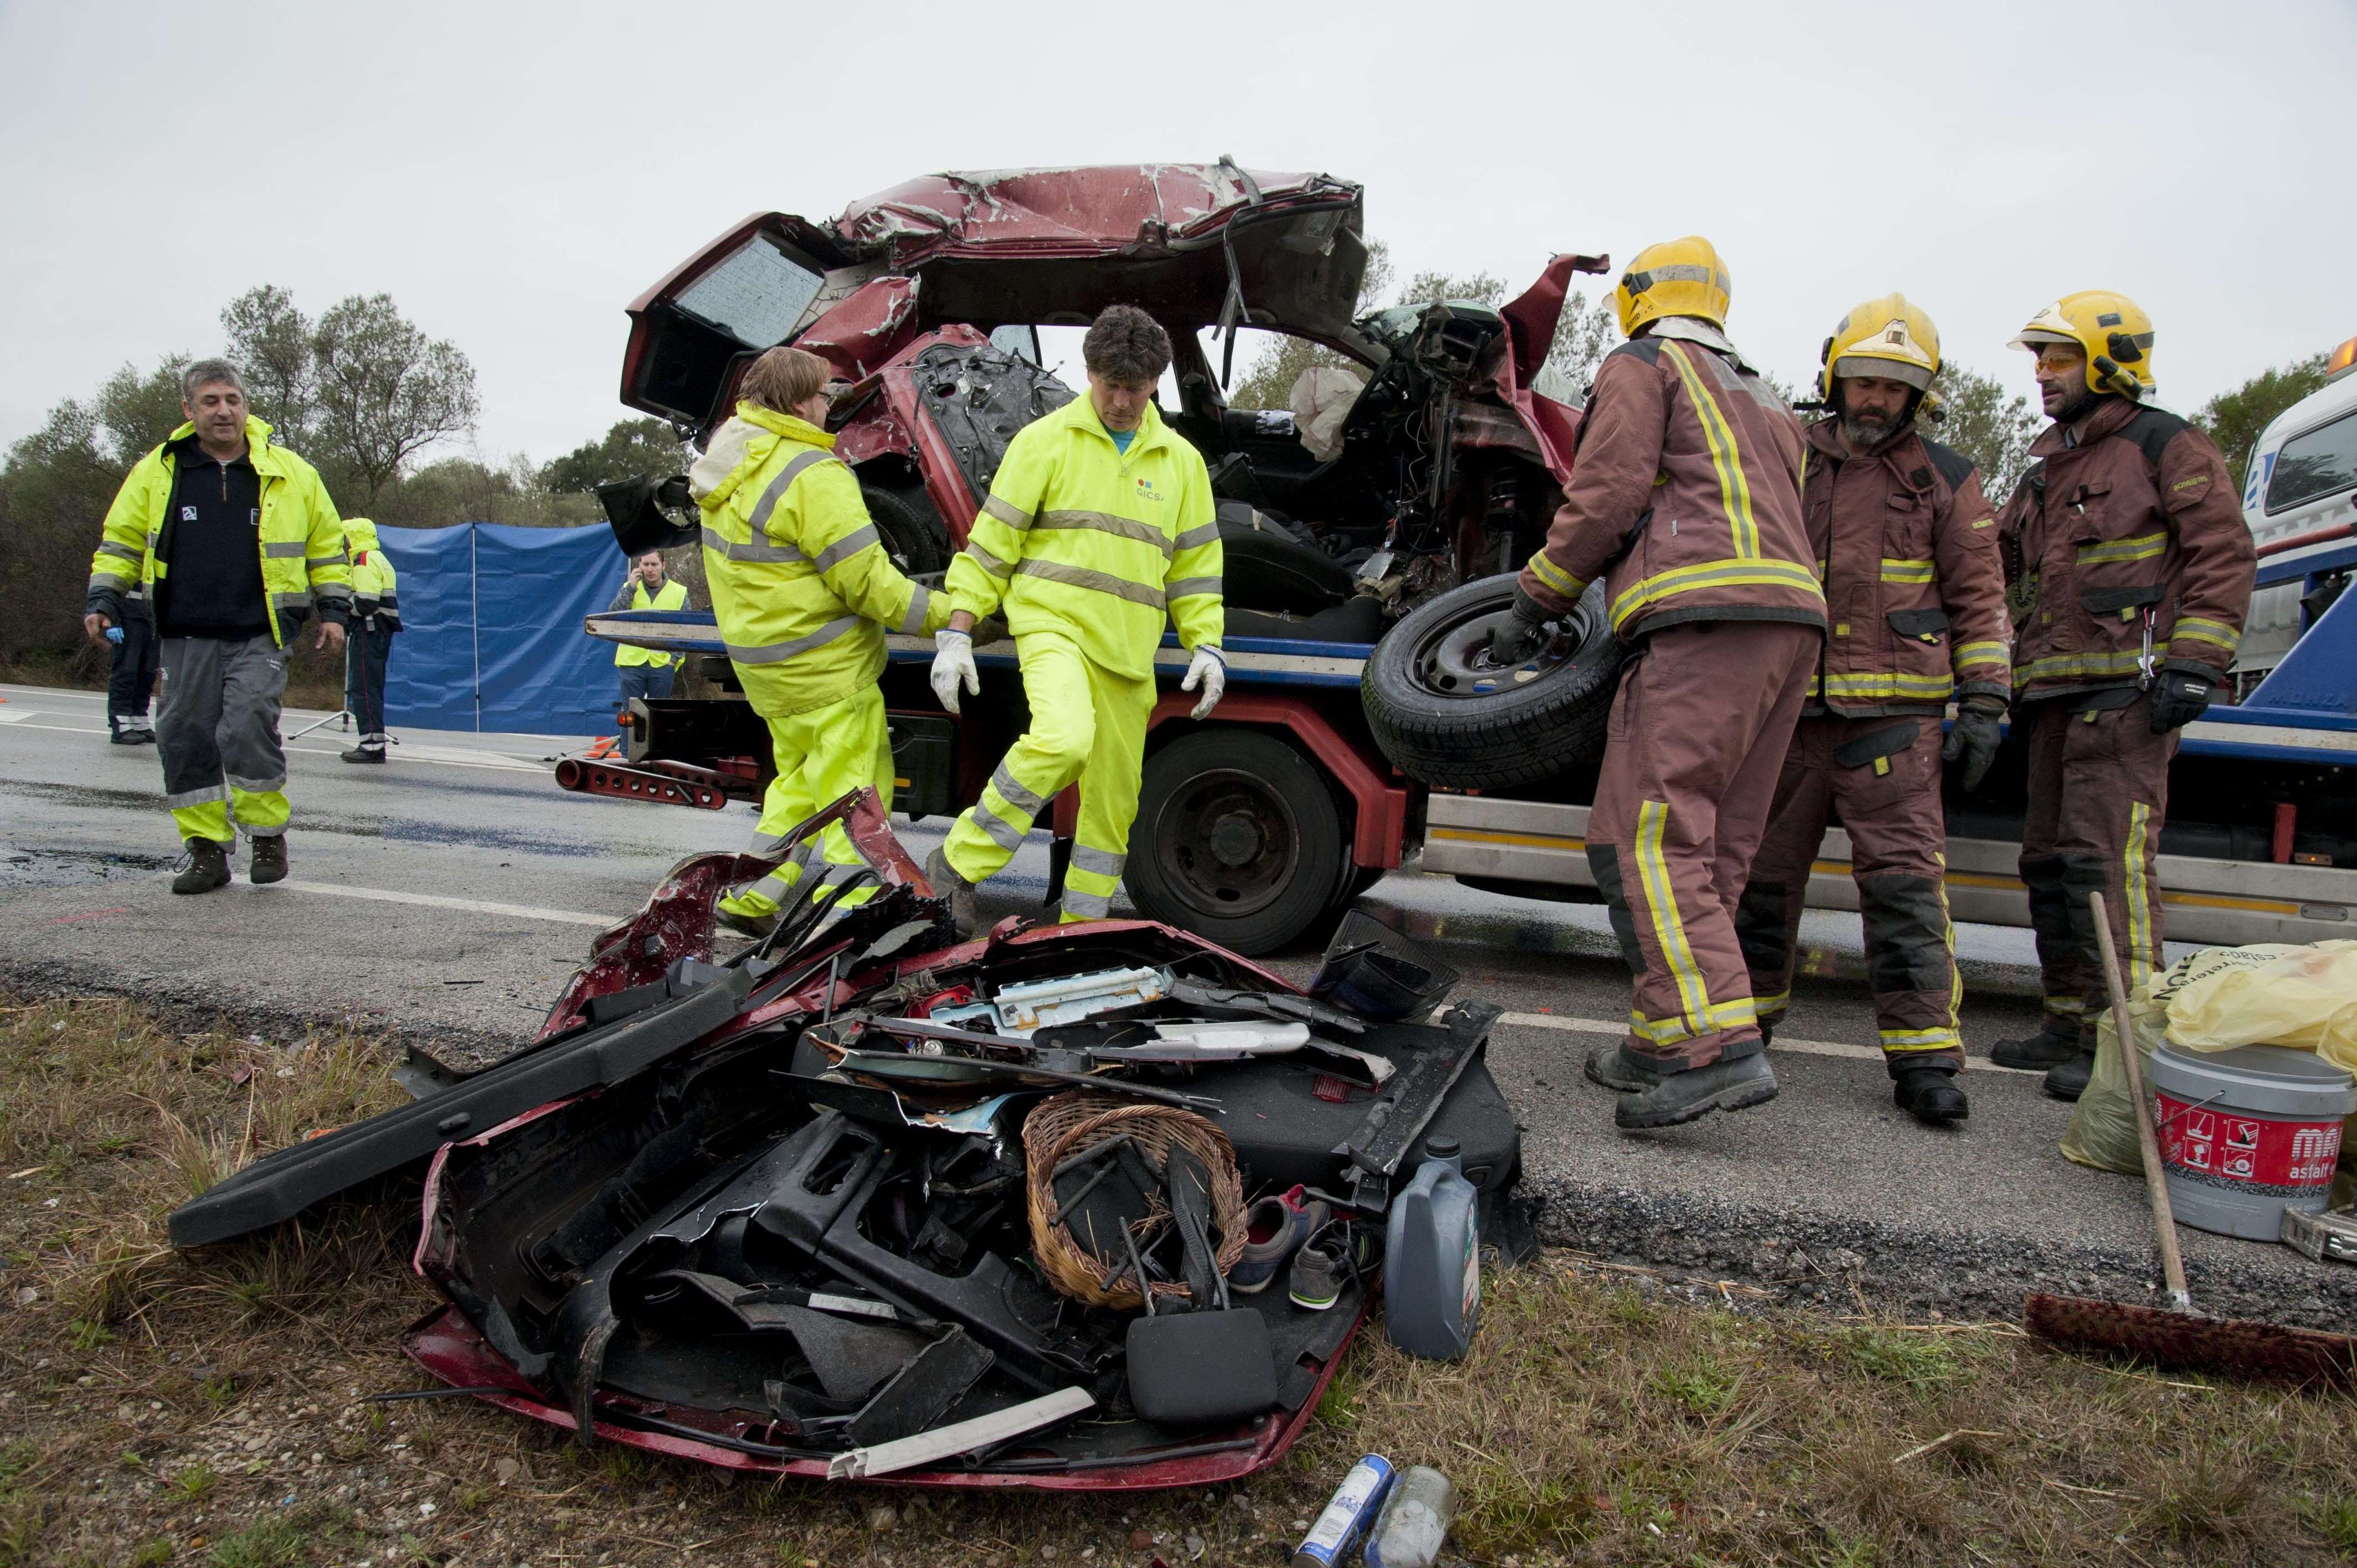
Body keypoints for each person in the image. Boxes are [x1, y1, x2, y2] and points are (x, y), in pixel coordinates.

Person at [1491, 237, 1823, 1129]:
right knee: (1709, 850)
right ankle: (1660, 1038)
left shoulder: (1644, 364)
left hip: (1700, 620)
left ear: (1637, 299)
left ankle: (1719, 1051)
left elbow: (1607, 493)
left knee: (1643, 839)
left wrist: (1540, 594)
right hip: (1789, 627)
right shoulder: (1765, 394)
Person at [1716, 296, 2011, 1127]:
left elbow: (1981, 595)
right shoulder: (1786, 455)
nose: (1877, 399)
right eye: (1864, 381)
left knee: (1905, 892)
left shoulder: (1945, 477)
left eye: (1895, 386)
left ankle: (1925, 1065)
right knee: (1757, 888)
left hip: (1897, 718)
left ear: (1920, 395)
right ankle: (1743, 1033)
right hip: (1788, 715)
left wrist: (1985, 696)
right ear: (1834, 375)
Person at [1991, 292, 2253, 1098]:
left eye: (2058, 357)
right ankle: (2067, 1020)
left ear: (2109, 362)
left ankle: (2125, 1045)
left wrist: (2195, 661)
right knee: (2050, 864)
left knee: (2109, 869)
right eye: (2038, 357)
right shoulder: (2046, 472)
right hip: (2053, 697)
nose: (2041, 373)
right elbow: (1996, 569)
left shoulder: (2165, 444)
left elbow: (2222, 549)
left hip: (2128, 694)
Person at [925, 305, 1226, 932]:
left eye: (1135, 388)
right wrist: (957, 631)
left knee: (1113, 805)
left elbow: (1196, 568)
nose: (1120, 400)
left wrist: (1207, 645)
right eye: (1109, 384)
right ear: (1089, 372)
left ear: (1154, 384)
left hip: (1128, 650)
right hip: (1052, 626)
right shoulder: (1043, 443)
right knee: (1062, 740)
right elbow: (991, 545)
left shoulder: (1181, 463)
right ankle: (956, 864)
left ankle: (1078, 932)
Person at [693, 346, 951, 934]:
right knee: (854, 805)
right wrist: (952, 615)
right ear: (798, 402)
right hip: (829, 670)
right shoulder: (813, 475)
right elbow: (870, 588)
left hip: (771, 670)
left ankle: (751, 895)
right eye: (821, 394)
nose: (828, 405)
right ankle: (841, 923)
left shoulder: (730, 462)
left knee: (798, 787)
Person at [83, 360, 350, 893]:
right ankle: (206, 851)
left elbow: (326, 546)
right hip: (184, 634)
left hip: (261, 630)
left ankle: (268, 834)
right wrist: (103, 596)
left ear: (246, 405)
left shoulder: (293, 472)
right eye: (210, 401)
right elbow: (121, 541)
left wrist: (335, 612)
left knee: (248, 724)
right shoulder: (158, 471)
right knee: (182, 735)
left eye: (232, 399)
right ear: (189, 410)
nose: (223, 410)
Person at [341, 518, 400, 764]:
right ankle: (373, 743)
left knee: (364, 688)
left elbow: (366, 601)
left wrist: (340, 611)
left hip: (369, 630)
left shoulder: (363, 560)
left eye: (344, 538)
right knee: (372, 688)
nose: (342, 544)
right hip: (379, 632)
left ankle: (371, 747)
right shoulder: (379, 558)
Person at [610, 549, 688, 705]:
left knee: (659, 714)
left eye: (654, 564)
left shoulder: (679, 591)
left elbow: (686, 629)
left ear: (663, 565)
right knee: (631, 715)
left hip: (663, 665)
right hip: (631, 663)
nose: (650, 569)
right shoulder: (630, 587)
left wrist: (673, 659)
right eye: (646, 564)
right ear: (639, 566)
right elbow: (614, 615)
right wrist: (631, 588)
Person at [104, 581, 158, 745]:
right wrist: (113, 622)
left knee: (147, 674)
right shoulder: (128, 559)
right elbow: (110, 591)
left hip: (152, 622)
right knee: (126, 673)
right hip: (128, 622)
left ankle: (139, 721)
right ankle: (121, 727)